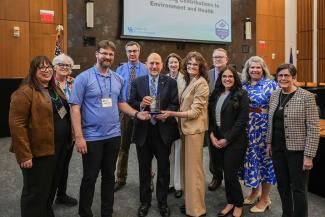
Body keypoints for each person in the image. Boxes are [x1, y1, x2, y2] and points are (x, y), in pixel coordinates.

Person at [69, 40, 149, 217]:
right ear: (97, 54)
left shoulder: (117, 78)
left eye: (111, 54)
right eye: (104, 53)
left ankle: (107, 212)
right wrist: (79, 136)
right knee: (90, 178)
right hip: (91, 137)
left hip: (113, 135)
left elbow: (121, 103)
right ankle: (85, 213)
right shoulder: (84, 78)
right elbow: (75, 107)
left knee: (108, 177)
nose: (107, 57)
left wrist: (137, 114)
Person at [9, 56, 72, 217]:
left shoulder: (54, 88)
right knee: (35, 191)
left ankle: (45, 211)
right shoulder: (24, 93)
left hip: (58, 148)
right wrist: (24, 156)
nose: (46, 70)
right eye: (41, 67)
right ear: (33, 71)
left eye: (49, 66)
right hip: (38, 152)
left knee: (50, 186)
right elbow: (17, 125)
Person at [129, 53, 179, 217]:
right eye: (151, 63)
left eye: (157, 63)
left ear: (161, 65)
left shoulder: (170, 82)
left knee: (164, 169)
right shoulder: (137, 82)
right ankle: (145, 202)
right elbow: (131, 103)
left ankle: (163, 203)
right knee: (144, 169)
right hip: (143, 132)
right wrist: (141, 104)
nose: (154, 66)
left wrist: (167, 113)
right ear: (146, 64)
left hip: (163, 131)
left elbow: (175, 104)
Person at [267, 63, 319, 217]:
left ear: (294, 78)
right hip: (277, 149)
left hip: (298, 151)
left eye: (287, 75)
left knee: (298, 188)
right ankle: (287, 214)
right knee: (282, 185)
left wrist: (309, 155)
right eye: (280, 76)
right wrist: (269, 143)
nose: (283, 78)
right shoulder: (274, 95)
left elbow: (313, 128)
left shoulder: (307, 97)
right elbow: (271, 121)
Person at [161, 51, 209, 217]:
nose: (191, 67)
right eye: (189, 64)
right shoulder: (191, 81)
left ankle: (197, 210)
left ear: (201, 67)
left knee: (194, 171)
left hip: (194, 131)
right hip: (186, 130)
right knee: (187, 171)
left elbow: (195, 112)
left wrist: (171, 114)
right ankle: (191, 204)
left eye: (195, 64)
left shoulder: (201, 83)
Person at [208, 66, 249, 217]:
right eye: (224, 76)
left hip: (235, 141)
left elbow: (242, 121)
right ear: (220, 78)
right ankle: (230, 202)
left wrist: (227, 139)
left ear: (235, 78)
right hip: (217, 140)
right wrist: (212, 135)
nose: (227, 79)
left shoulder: (241, 94)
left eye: (230, 76)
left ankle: (238, 204)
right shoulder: (216, 93)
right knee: (226, 175)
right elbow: (211, 117)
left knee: (231, 176)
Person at [240, 56, 278, 213]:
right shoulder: (244, 86)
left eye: (258, 67)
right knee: (251, 161)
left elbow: (276, 110)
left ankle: (265, 199)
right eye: (252, 68)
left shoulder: (271, 85)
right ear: (247, 70)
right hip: (247, 130)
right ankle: (255, 192)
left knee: (264, 163)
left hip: (263, 129)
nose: (255, 70)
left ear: (263, 69)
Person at [114, 41, 148, 192]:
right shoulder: (119, 70)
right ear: (126, 52)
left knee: (146, 147)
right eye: (129, 51)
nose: (132, 54)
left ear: (139, 52)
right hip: (125, 111)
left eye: (135, 51)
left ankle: (148, 177)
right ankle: (120, 177)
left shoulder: (147, 69)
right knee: (123, 146)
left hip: (142, 110)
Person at [52, 53, 78, 207]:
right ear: (54, 67)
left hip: (70, 133)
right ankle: (47, 199)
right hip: (54, 134)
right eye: (61, 64)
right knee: (54, 168)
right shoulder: (48, 84)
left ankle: (61, 194)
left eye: (68, 65)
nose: (65, 67)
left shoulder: (72, 84)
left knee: (65, 166)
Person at [207, 48, 229, 191]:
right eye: (215, 57)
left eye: (221, 57)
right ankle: (216, 176)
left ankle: (230, 179)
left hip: (229, 121)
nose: (218, 59)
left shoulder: (235, 75)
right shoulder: (206, 75)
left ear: (227, 59)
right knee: (213, 150)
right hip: (211, 120)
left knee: (229, 151)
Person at [164, 53, 186, 198]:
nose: (173, 65)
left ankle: (178, 185)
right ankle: (169, 183)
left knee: (178, 153)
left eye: (176, 63)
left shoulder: (185, 79)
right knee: (167, 154)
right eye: (171, 63)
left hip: (179, 119)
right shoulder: (162, 79)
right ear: (167, 64)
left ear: (179, 64)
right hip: (165, 120)